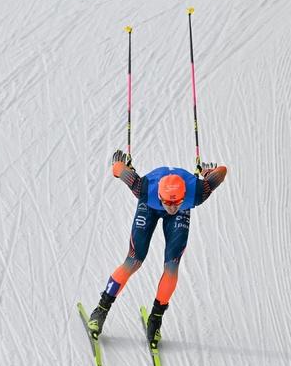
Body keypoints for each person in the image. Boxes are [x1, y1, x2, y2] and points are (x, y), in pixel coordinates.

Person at [87, 149, 228, 348]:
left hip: (179, 212)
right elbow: (117, 169)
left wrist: (207, 174)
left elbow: (222, 171)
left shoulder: (197, 191)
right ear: (160, 196)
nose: (170, 207)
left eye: (175, 202)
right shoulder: (142, 187)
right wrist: (121, 167)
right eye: (167, 202)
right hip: (149, 206)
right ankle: (101, 309)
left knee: (172, 267)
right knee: (133, 260)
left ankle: (156, 319)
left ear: (183, 196)